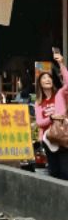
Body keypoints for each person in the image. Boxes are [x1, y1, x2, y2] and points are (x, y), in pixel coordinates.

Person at [35, 50, 68, 179]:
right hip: (49, 140)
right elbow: (39, 122)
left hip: (63, 136)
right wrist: (51, 117)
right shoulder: (39, 103)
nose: (47, 79)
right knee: (53, 172)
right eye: (44, 78)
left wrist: (61, 63)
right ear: (40, 83)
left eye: (49, 77)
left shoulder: (59, 94)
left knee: (65, 172)